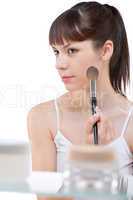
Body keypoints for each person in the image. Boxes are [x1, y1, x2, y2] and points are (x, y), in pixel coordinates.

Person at [27, 1, 133, 199]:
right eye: (56, 52)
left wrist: (106, 158)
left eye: (71, 51)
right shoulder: (43, 118)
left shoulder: (130, 122)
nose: (59, 64)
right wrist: (86, 160)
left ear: (106, 50)